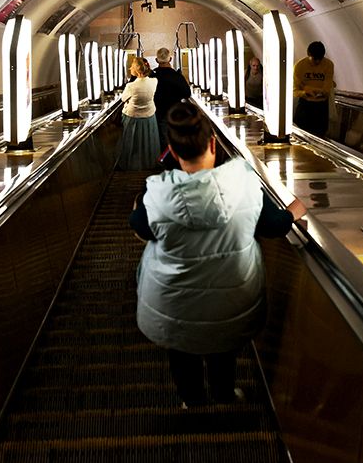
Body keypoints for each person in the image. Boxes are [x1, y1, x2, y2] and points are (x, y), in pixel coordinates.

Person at [130, 102, 307, 406]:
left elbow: (140, 227)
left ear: (173, 151)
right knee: (223, 346)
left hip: (175, 303)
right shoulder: (244, 183)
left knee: (181, 352)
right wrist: (295, 210)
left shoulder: (156, 194)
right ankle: (224, 394)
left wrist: (139, 206)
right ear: (212, 144)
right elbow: (274, 226)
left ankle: (191, 400)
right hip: (231, 299)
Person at [118, 56, 160, 170]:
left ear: (136, 70)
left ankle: (132, 166)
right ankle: (149, 164)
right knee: (148, 142)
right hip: (149, 116)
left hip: (132, 117)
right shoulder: (154, 81)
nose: (130, 68)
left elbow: (123, 98)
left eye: (132, 66)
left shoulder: (131, 86)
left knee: (132, 143)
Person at [150, 47, 191, 147]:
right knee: (174, 140)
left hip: (157, 113)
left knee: (161, 141)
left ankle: (163, 156)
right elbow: (187, 93)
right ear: (170, 59)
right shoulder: (177, 76)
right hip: (175, 113)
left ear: (156, 60)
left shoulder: (152, 76)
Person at [293, 41, 334, 136]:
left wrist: (318, 91)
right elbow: (295, 90)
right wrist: (305, 93)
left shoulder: (328, 65)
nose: (318, 62)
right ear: (308, 54)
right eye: (315, 59)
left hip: (321, 106)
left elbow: (327, 86)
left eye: (320, 59)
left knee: (320, 134)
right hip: (305, 105)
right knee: (301, 134)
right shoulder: (299, 66)